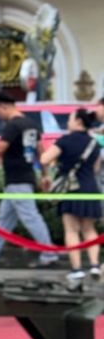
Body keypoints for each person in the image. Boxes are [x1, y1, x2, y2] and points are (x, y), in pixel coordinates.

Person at [0, 92, 59, 268]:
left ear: (3, 106)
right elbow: (40, 150)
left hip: (17, 179)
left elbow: (0, 148)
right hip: (24, 177)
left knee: (30, 217)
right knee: (5, 219)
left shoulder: (13, 125)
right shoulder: (31, 124)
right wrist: (45, 174)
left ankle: (49, 253)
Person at [40, 108, 101, 285]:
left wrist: (56, 163)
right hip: (90, 188)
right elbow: (96, 168)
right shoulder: (94, 142)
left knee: (71, 230)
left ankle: (77, 269)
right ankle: (95, 265)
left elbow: (44, 159)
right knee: (89, 229)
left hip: (71, 189)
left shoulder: (65, 141)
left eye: (69, 119)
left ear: (78, 122)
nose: (67, 123)